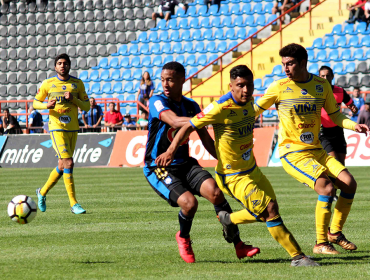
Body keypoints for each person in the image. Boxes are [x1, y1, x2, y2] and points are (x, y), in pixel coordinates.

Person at [156, 65, 319, 267]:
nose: (246, 90)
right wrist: (171, 150)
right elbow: (189, 126)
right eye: (240, 85)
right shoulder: (219, 108)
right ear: (231, 86)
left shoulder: (250, 101)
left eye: (249, 85)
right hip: (233, 176)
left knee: (272, 209)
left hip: (253, 170)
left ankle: (230, 219)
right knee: (268, 210)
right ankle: (298, 257)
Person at [254, 43, 369, 255]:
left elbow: (335, 115)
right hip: (292, 153)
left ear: (303, 63)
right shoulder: (278, 87)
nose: (285, 68)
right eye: (283, 64)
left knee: (350, 184)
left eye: (290, 64)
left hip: (317, 151)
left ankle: (335, 232)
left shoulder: (320, 85)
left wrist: (354, 126)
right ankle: (320, 243)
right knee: (326, 188)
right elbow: (253, 111)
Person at [144, 62, 259, 264]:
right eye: (163, 79)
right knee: (190, 204)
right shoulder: (156, 100)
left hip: (186, 163)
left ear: (183, 80)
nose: (165, 84)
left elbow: (206, 141)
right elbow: (173, 121)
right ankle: (184, 237)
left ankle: (239, 245)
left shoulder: (192, 106)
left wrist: (227, 161)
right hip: (159, 166)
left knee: (215, 193)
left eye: (170, 79)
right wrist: (206, 118)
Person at [33, 53, 90, 215]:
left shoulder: (77, 84)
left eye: (65, 63)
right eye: (59, 63)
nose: (62, 65)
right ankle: (74, 204)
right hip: (56, 127)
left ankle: (42, 192)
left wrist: (74, 100)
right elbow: (35, 103)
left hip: (73, 127)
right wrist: (47, 106)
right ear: (55, 66)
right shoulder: (48, 83)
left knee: (62, 165)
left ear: (69, 65)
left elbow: (86, 107)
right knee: (69, 162)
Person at [318, 66, 358, 166]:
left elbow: (351, 105)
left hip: (338, 130)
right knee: (334, 163)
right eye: (322, 76)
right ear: (319, 77)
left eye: (328, 76)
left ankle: (334, 182)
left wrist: (353, 108)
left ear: (332, 77)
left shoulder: (340, 91)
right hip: (323, 132)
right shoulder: (315, 92)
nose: (325, 78)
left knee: (341, 164)